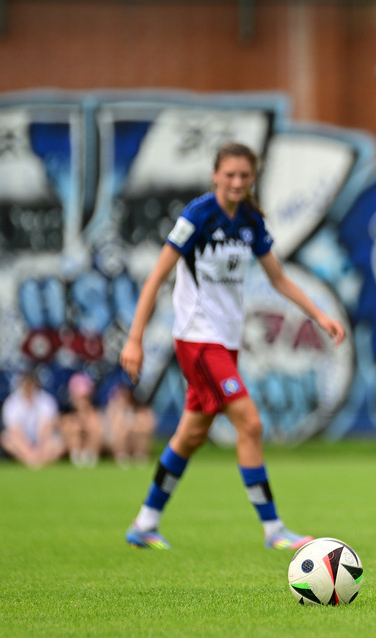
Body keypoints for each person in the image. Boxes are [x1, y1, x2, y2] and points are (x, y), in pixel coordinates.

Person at [120, 141, 346, 550]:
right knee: (250, 422)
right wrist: (134, 340)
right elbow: (156, 278)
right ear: (215, 175)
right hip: (197, 340)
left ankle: (144, 522)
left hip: (225, 343)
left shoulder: (249, 221)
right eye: (230, 175)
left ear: (252, 178)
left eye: (245, 176)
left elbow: (279, 279)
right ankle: (274, 529)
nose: (237, 182)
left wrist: (320, 315)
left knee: (189, 436)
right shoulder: (197, 216)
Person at [1, 370, 64, 469]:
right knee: (6, 439)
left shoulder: (46, 400)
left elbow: (46, 428)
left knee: (59, 443)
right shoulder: (11, 402)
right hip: (22, 440)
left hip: (42, 440)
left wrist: (41, 448)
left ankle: (40, 460)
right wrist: (28, 451)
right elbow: (15, 431)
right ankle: (29, 459)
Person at [104, 373, 156, 467]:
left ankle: (140, 456)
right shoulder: (113, 407)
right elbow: (111, 428)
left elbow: (150, 426)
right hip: (114, 439)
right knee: (119, 428)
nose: (124, 395)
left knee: (141, 426)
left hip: (134, 438)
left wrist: (134, 428)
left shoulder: (141, 409)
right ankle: (122, 456)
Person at [61, 371, 104, 468]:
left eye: (84, 398)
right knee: (72, 426)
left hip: (94, 444)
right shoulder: (67, 413)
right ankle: (76, 456)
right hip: (68, 441)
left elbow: (96, 427)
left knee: (94, 425)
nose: (82, 401)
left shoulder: (94, 413)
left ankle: (89, 455)